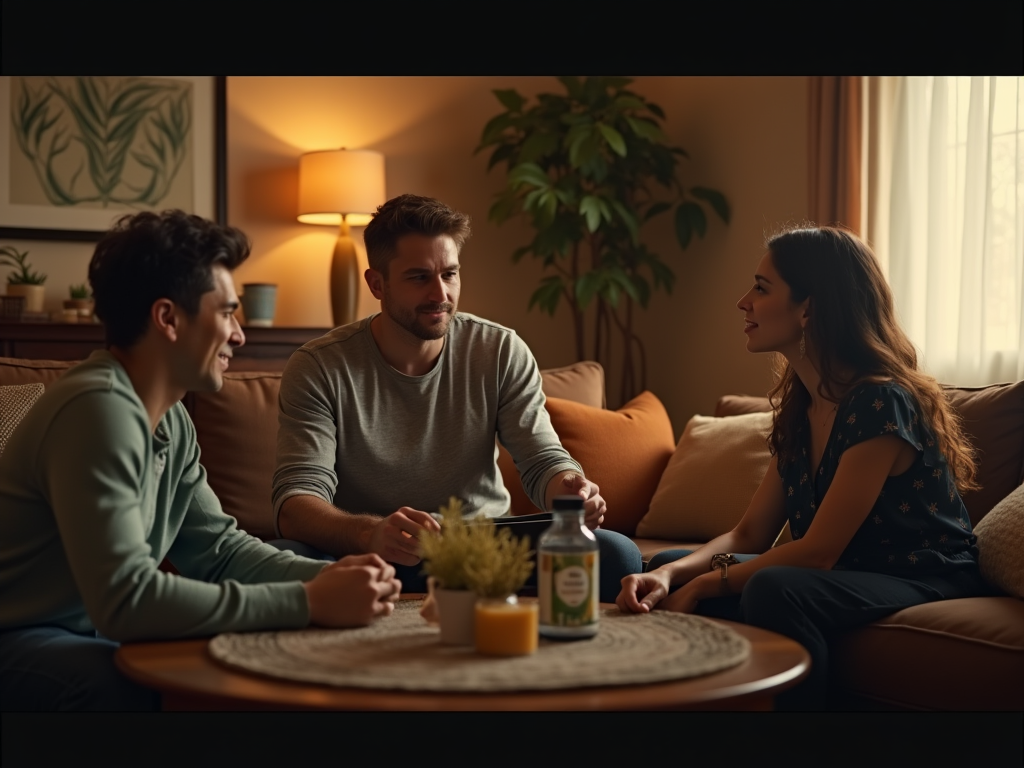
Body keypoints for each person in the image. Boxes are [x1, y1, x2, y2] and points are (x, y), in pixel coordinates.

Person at [0, 210, 401, 712]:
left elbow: (219, 551)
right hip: (19, 636)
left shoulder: (170, 419)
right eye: (227, 312)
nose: (239, 334)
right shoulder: (97, 409)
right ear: (168, 318)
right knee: (118, 683)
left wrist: (328, 577)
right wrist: (308, 602)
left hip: (84, 632)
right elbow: (128, 602)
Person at [616, 226, 994, 710]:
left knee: (777, 588)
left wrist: (709, 581)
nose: (742, 302)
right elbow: (749, 533)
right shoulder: (803, 406)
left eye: (761, 287)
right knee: (672, 565)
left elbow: (817, 553)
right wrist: (673, 577)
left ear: (809, 308)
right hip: (850, 570)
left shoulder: (880, 401)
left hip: (923, 573)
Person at [270, 194, 642, 601]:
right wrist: (370, 532)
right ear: (377, 283)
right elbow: (297, 502)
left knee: (617, 554)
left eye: (449, 274)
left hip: (483, 545)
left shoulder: (499, 349)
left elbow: (540, 460)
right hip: (372, 552)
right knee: (277, 561)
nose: (439, 294)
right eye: (418, 277)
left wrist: (570, 489)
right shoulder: (319, 366)